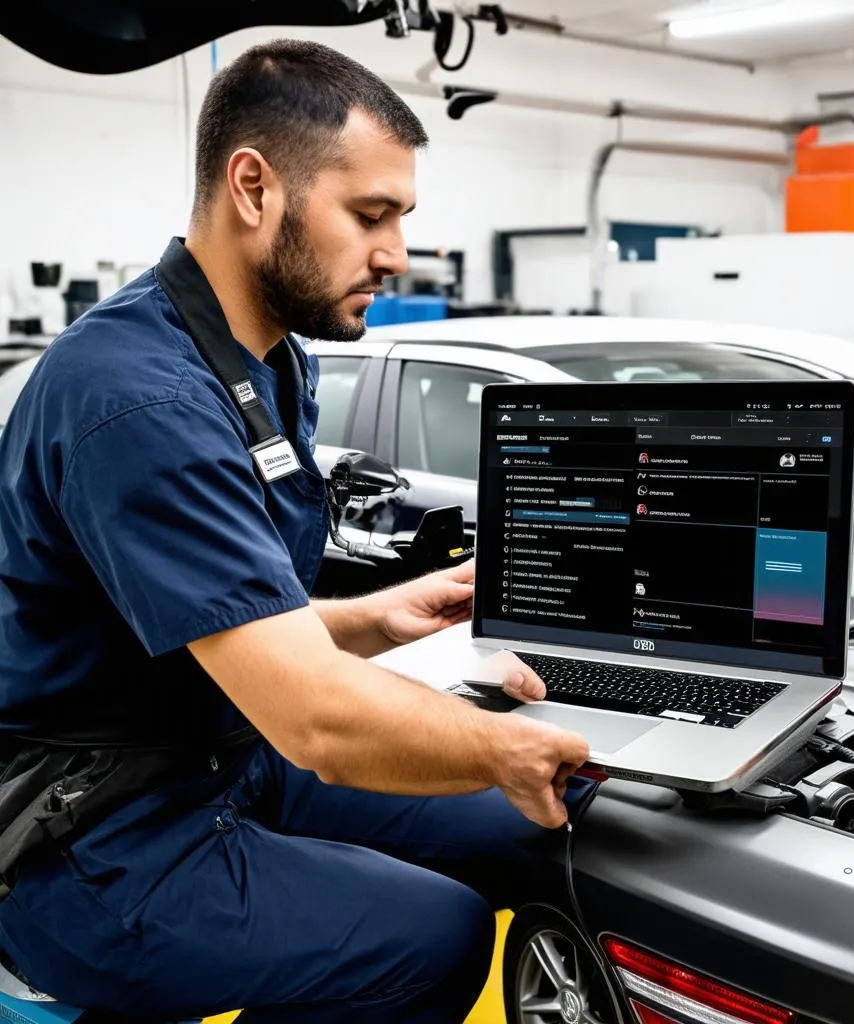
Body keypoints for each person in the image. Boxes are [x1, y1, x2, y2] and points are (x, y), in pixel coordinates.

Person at [0, 39, 589, 1022]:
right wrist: (496, 745)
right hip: (93, 839)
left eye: (401, 218)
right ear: (253, 187)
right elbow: (312, 718)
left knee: (533, 833)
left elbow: (221, 622)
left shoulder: (268, 361)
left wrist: (375, 617)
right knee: (432, 935)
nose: (398, 253)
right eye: (371, 216)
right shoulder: (137, 398)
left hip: (218, 755)